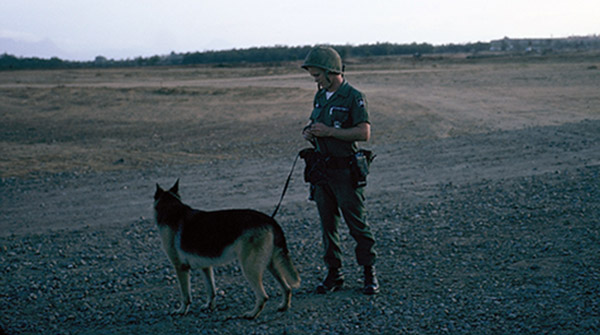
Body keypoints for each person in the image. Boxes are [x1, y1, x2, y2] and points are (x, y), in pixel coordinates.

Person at [300, 46, 379, 295]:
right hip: (322, 171)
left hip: (345, 171)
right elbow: (317, 124)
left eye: (317, 76)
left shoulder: (353, 96)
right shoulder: (320, 97)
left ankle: (369, 273)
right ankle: (334, 274)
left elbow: (364, 133)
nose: (315, 81)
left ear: (331, 72)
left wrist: (330, 132)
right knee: (328, 226)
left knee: (357, 224)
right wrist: (310, 133)